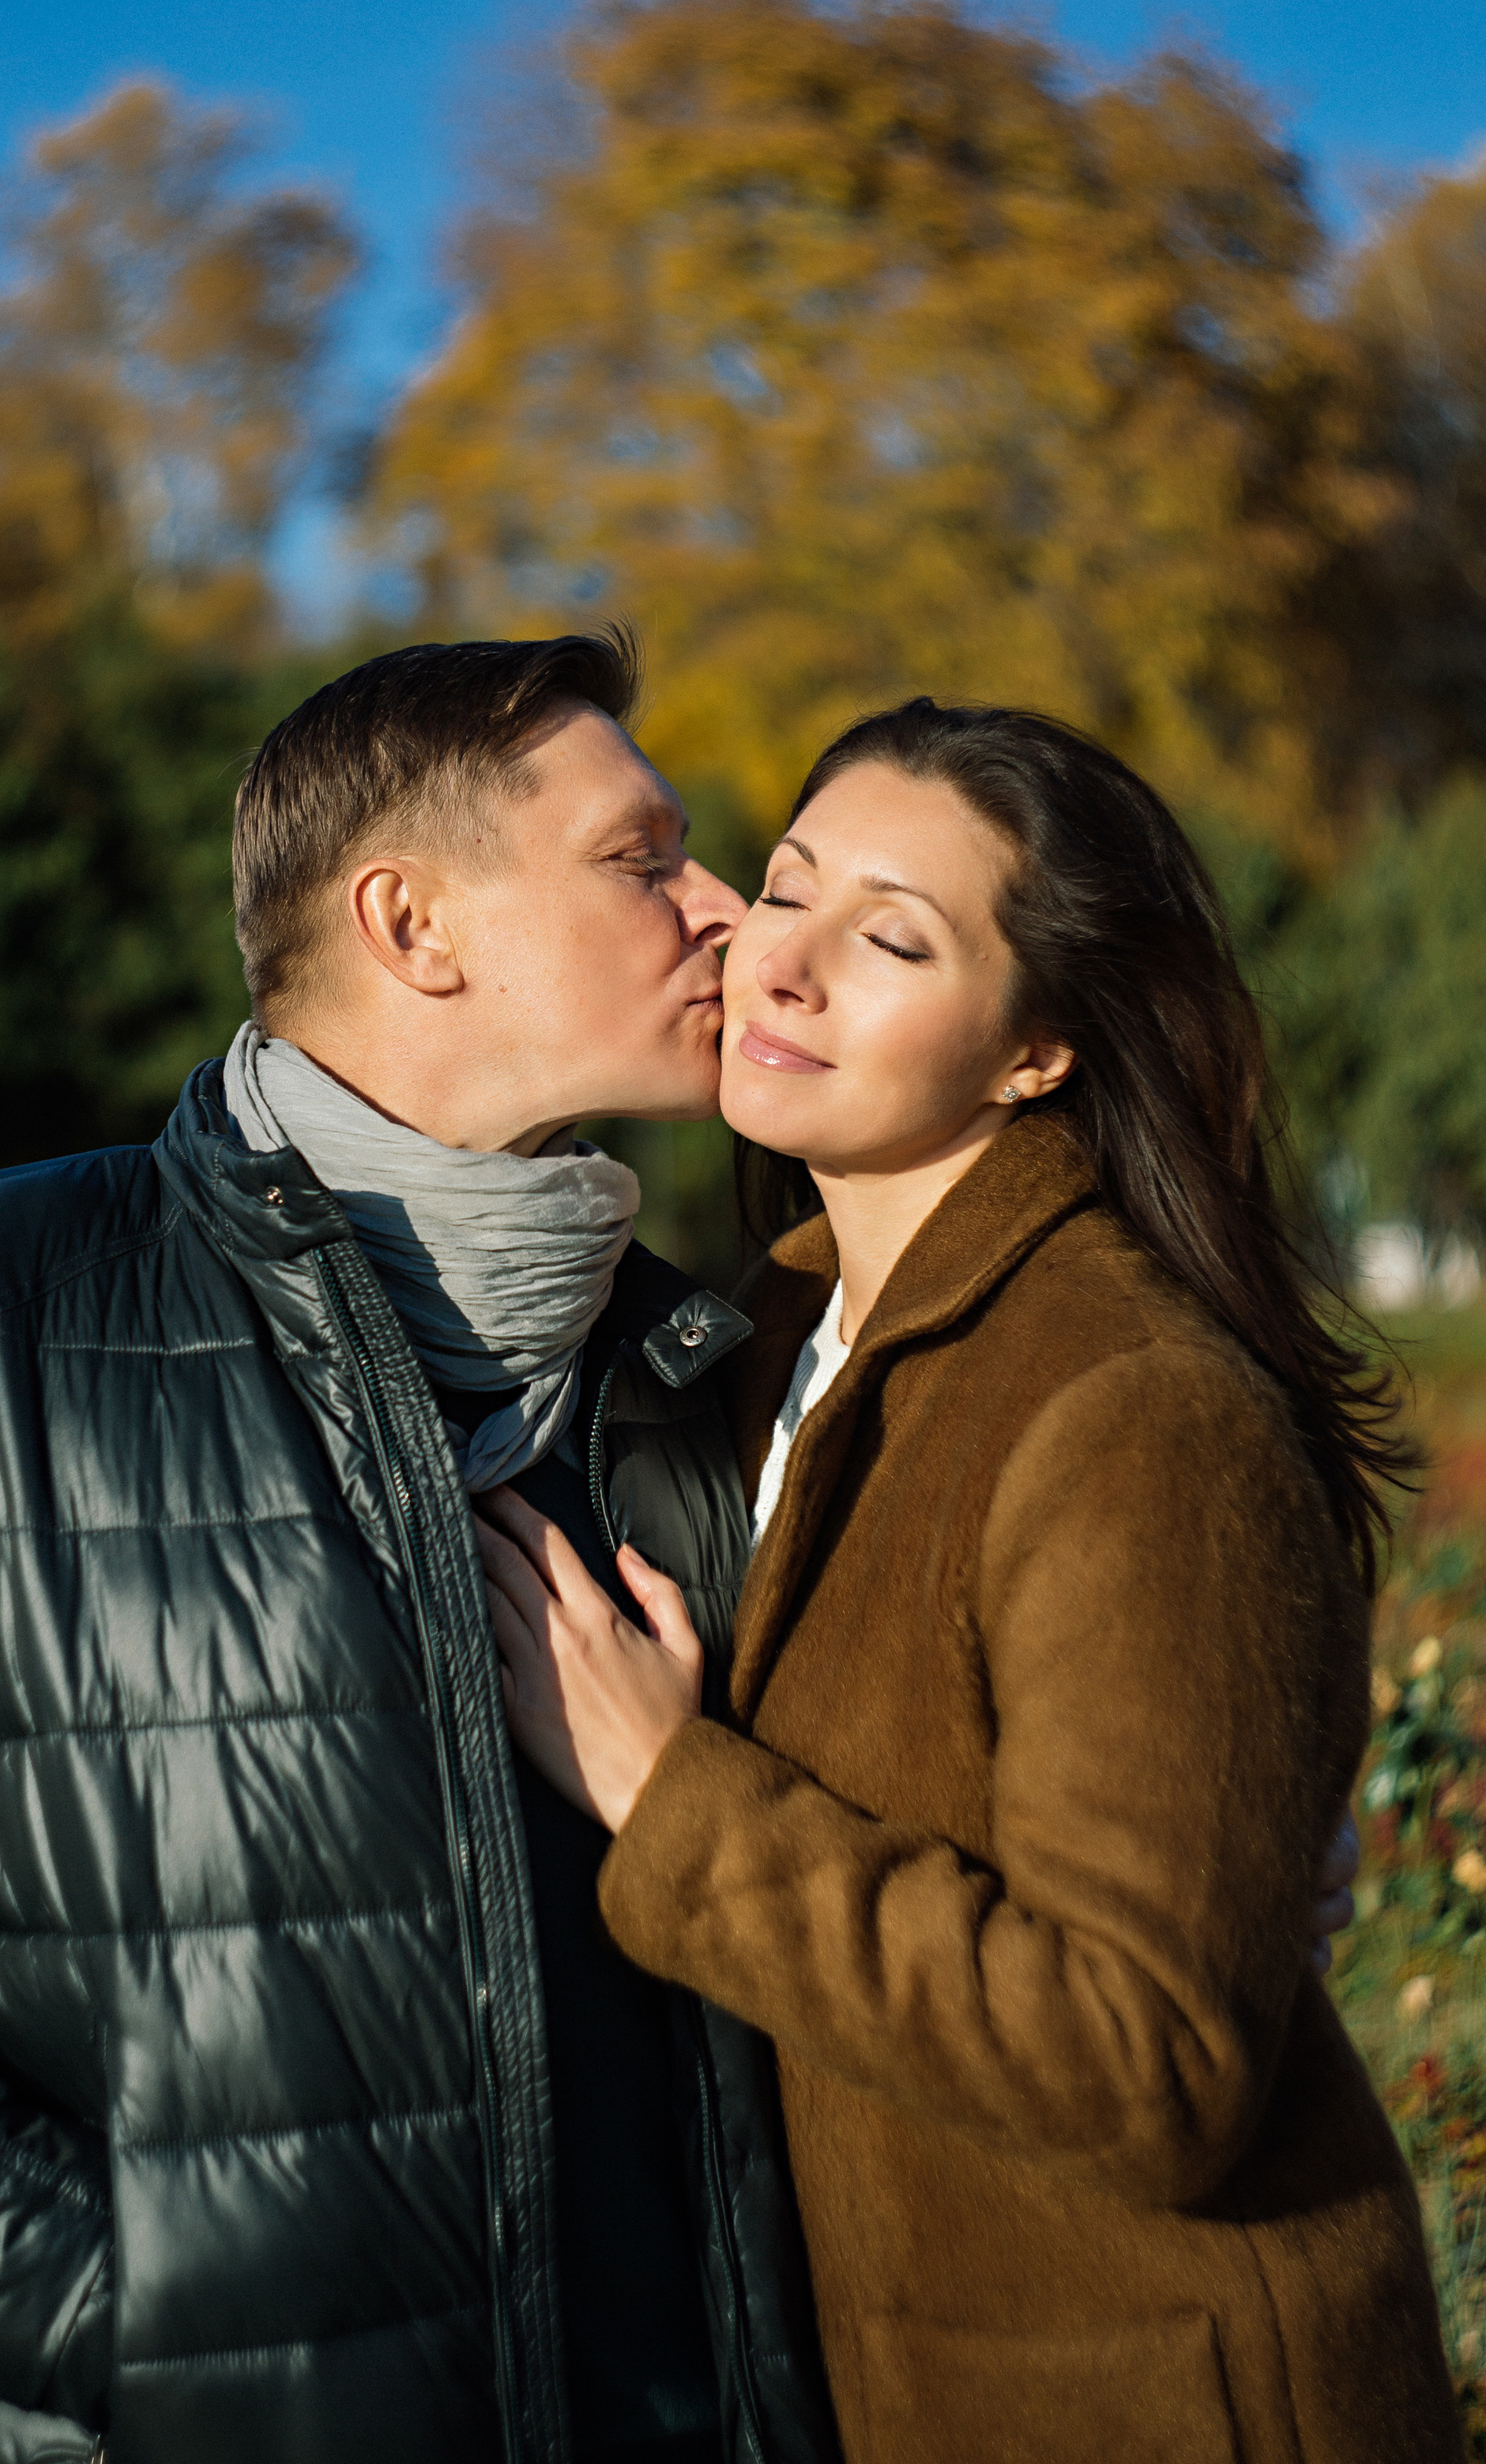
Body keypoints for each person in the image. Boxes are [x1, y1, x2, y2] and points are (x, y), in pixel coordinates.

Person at [0, 639, 1351, 2464]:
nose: (728, 912)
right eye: (642, 856)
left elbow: (1037, 1826)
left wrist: (1265, 1774)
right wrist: (164, 2323)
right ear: (415, 926)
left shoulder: (712, 1381)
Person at [479, 695, 1458, 2464]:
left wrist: (667, 1796)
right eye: (786, 891)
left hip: (1161, 2400)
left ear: (1036, 1051)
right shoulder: (767, 1342)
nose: (788, 967)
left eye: (895, 937)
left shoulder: (1132, 1408)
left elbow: (1145, 2064)